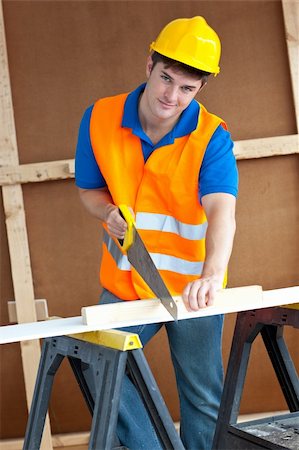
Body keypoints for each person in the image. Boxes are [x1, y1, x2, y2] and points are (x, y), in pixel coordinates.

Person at [75, 16, 238, 450]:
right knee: (100, 367)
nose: (172, 96)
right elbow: (89, 191)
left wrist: (212, 273)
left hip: (192, 288)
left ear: (200, 88)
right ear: (150, 63)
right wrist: (106, 212)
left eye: (187, 88)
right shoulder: (100, 118)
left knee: (204, 399)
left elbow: (223, 210)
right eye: (166, 78)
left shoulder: (212, 138)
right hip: (129, 283)